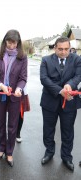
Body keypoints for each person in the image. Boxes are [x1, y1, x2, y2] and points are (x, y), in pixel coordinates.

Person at [40, 37, 81, 171]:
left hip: (69, 102)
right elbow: (44, 79)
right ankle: (49, 152)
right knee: (48, 130)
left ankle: (66, 157)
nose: (63, 52)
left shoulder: (77, 59)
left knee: (68, 131)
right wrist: (59, 91)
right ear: (55, 48)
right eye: (60, 49)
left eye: (66, 49)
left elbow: (78, 76)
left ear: (69, 48)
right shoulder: (46, 60)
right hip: (49, 101)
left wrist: (70, 84)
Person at [0, 29, 27, 167]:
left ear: (18, 43)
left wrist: (19, 88)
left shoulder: (22, 57)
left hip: (14, 96)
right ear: (5, 41)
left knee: (12, 126)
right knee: (1, 124)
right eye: (9, 42)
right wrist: (1, 86)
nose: (11, 45)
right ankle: (1, 149)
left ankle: (10, 152)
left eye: (14, 43)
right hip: (0, 94)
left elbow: (23, 78)